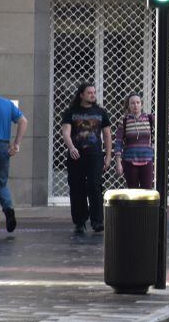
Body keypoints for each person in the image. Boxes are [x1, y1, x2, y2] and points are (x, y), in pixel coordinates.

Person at [60, 83, 113, 235]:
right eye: (89, 92)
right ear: (81, 95)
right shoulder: (71, 112)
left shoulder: (101, 112)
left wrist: (108, 156)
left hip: (95, 156)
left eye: (94, 92)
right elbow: (66, 133)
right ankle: (80, 222)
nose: (92, 95)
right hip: (76, 156)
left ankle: (97, 221)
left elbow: (108, 135)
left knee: (95, 186)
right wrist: (71, 148)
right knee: (77, 188)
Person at [0, 78, 27, 236]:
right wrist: (16, 143)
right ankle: (8, 210)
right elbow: (23, 121)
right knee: (1, 184)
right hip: (3, 146)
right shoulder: (7, 104)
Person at [113, 94, 155, 189]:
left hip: (147, 160)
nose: (135, 105)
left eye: (138, 103)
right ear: (128, 105)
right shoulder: (124, 121)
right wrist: (118, 163)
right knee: (133, 192)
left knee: (147, 191)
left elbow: (163, 127)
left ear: (141, 104)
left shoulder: (149, 118)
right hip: (129, 161)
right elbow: (118, 142)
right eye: (132, 103)